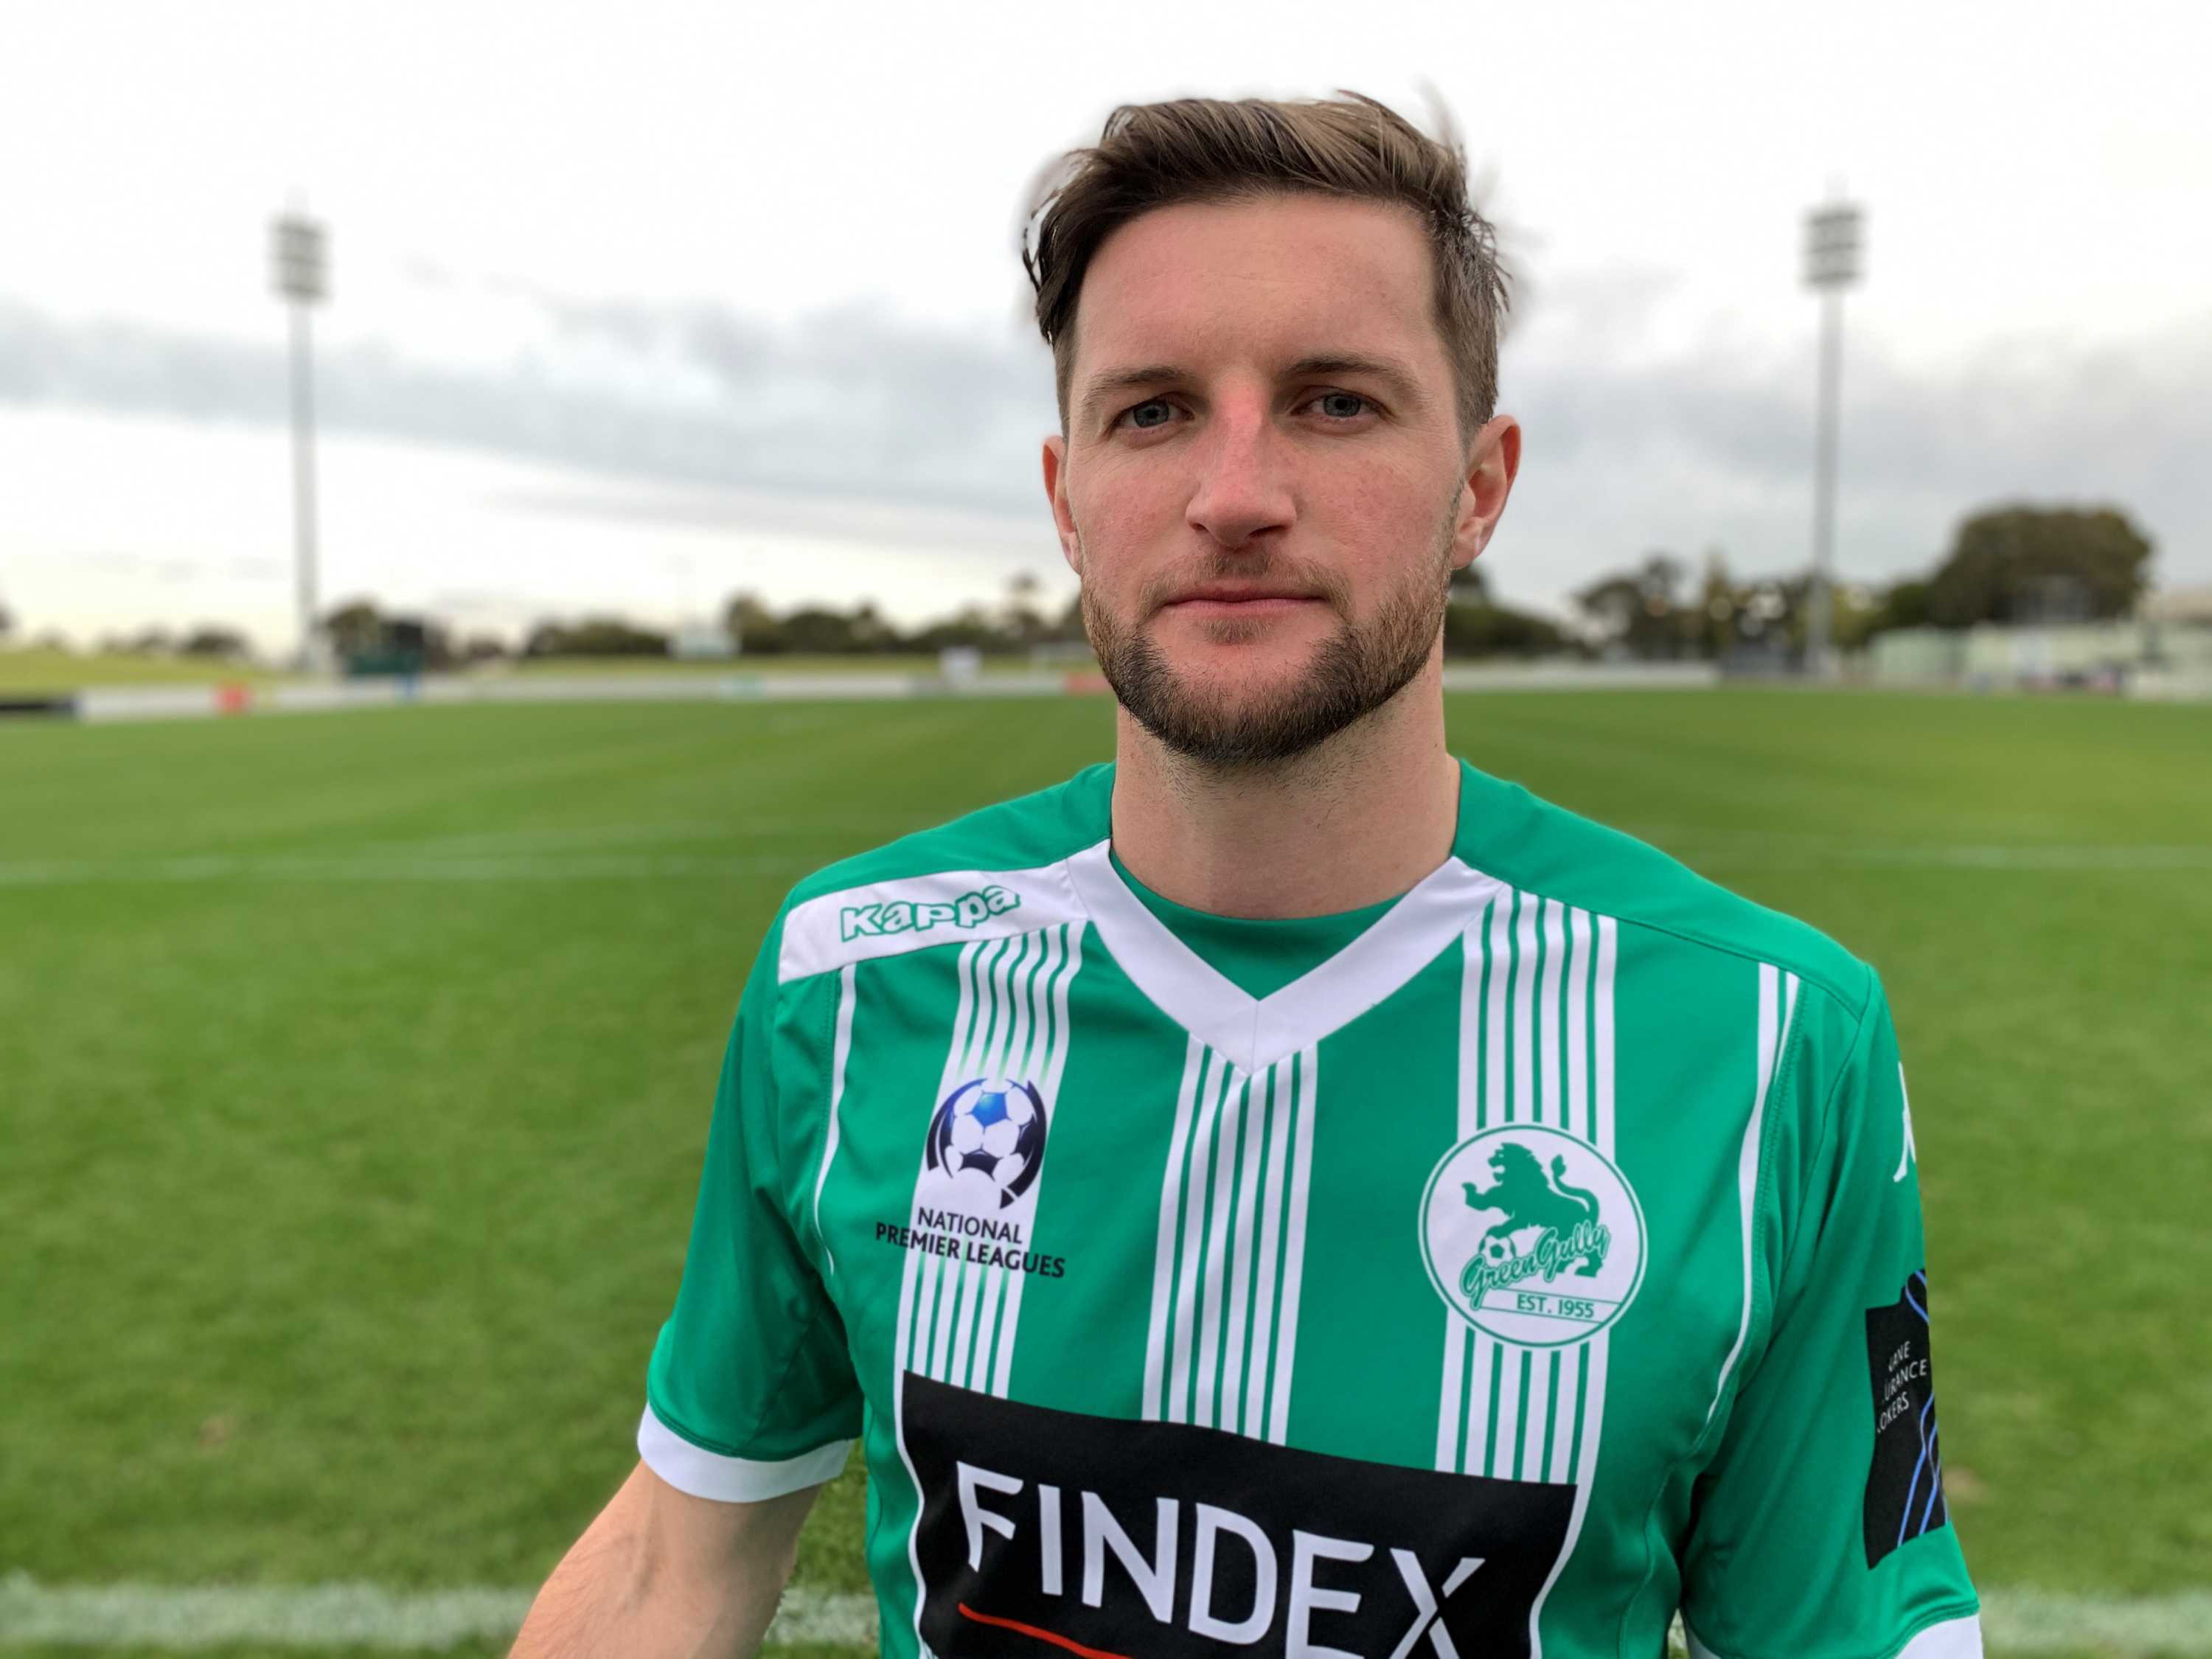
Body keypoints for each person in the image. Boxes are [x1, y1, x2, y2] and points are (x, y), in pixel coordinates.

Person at [511, 92, 1980, 1659]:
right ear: (1069, 495)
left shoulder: (1768, 1039)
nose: (1234, 492)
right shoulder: (853, 978)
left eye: (1334, 402)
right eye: (1151, 411)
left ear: (1479, 486)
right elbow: (680, 1560)